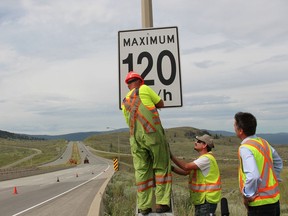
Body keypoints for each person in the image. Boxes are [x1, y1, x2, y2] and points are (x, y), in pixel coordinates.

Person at [121, 71, 172, 214]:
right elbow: (161, 103)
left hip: (135, 140)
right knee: (162, 167)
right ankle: (162, 203)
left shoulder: (124, 101)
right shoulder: (145, 89)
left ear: (128, 85)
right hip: (153, 135)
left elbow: (128, 122)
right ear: (140, 81)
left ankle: (144, 207)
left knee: (142, 173)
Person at [234, 112, 283, 216]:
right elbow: (278, 162)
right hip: (274, 200)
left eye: (235, 125)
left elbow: (253, 176)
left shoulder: (245, 148)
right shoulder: (263, 142)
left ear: (240, 130)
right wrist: (273, 178)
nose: (234, 127)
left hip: (259, 203)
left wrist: (247, 195)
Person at [170, 134, 222, 216]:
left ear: (205, 145)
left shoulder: (206, 159)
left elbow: (186, 167)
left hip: (206, 200)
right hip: (202, 200)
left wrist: (170, 156)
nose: (195, 142)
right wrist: (170, 168)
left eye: (198, 141)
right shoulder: (202, 159)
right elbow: (185, 172)